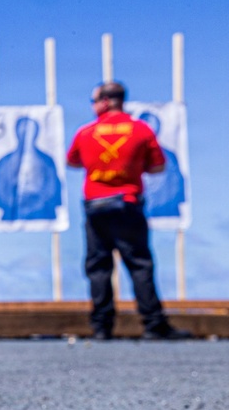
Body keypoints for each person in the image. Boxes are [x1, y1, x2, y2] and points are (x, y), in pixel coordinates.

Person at [66, 82, 190, 340]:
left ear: (105, 101)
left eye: (94, 100)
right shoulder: (141, 130)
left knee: (98, 266)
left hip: (95, 207)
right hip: (128, 203)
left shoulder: (86, 132)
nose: (92, 106)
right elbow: (158, 167)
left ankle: (101, 328)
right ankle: (153, 325)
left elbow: (73, 161)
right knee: (139, 264)